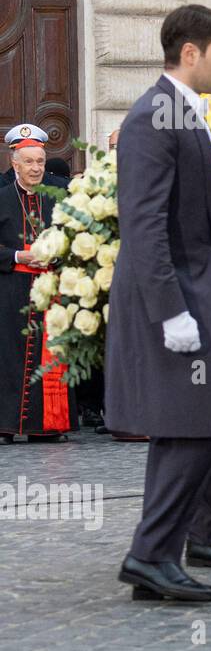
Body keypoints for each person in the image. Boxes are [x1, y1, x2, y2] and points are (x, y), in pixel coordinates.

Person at [109, 5, 211, 602]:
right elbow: (143, 223)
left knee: (192, 429)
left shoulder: (186, 112)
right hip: (173, 297)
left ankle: (155, 558)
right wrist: (170, 310)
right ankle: (151, 555)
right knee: (196, 429)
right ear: (191, 53)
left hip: (194, 290)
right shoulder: (155, 115)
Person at [0, 124, 75, 445]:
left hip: (51, 289)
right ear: (14, 163)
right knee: (8, 357)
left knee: (51, 354)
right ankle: (5, 424)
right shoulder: (1, 198)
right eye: (29, 162)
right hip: (10, 288)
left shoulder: (60, 196)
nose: (36, 168)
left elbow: (76, 238)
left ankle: (46, 425)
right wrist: (19, 254)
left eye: (40, 162)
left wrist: (58, 256)